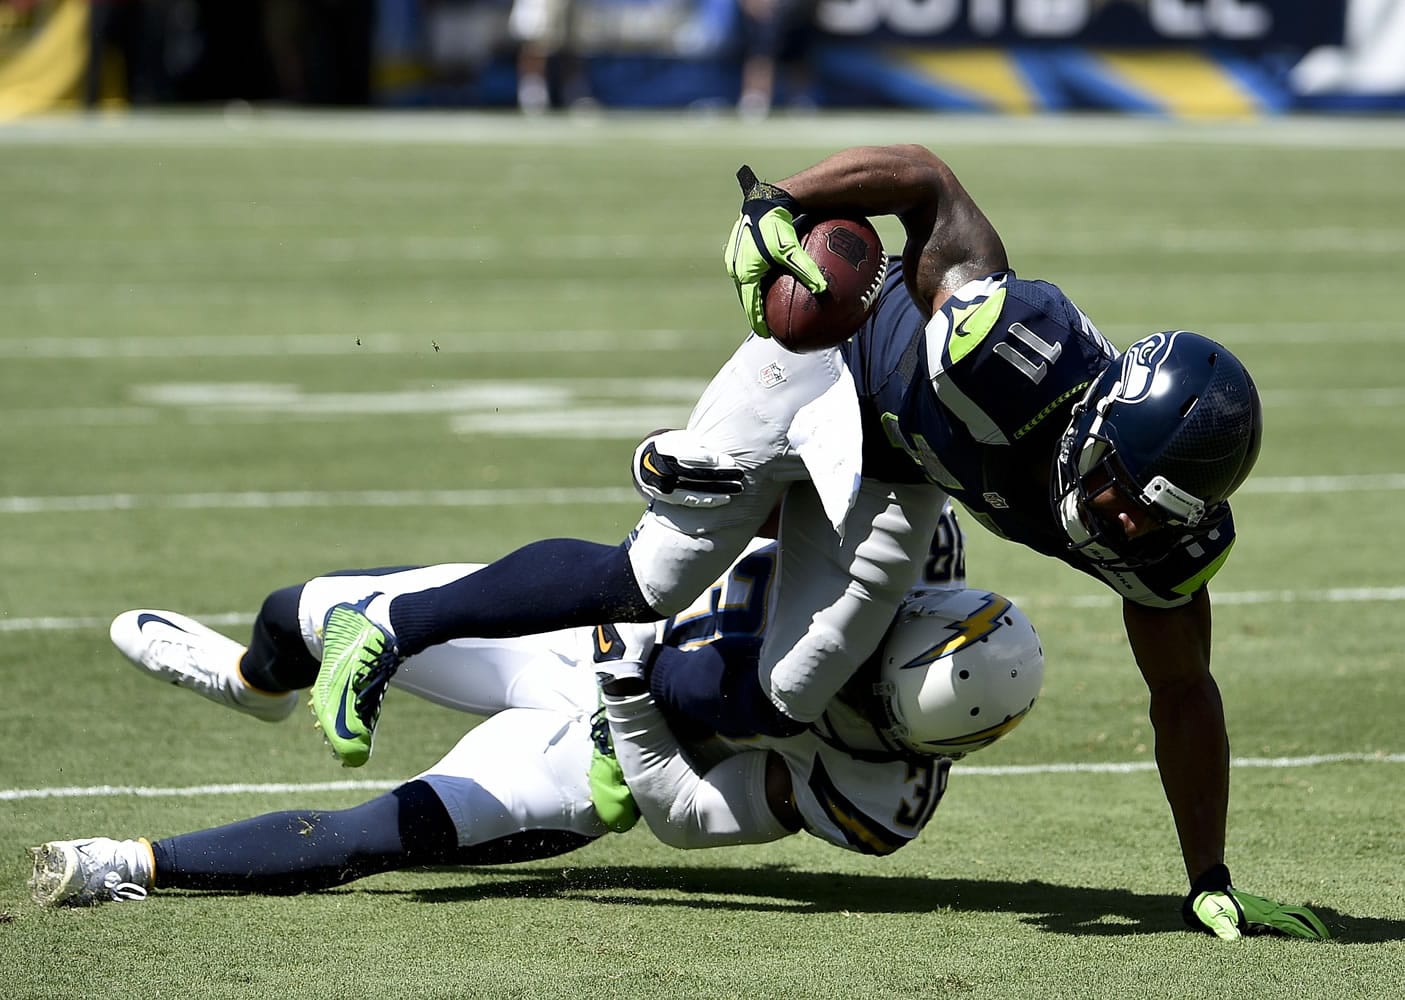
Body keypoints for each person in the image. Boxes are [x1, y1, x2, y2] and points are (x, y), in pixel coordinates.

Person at [305, 144, 1327, 941]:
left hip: (900, 469)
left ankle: (654, 668)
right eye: (1115, 491)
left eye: (1147, 515)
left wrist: (1208, 876)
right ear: (1092, 416)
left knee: (792, 688)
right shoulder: (1012, 342)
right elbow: (925, 185)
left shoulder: (1156, 549)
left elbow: (1181, 694)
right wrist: (777, 206)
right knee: (652, 575)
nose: (1117, 521)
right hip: (834, 365)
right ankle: (388, 622)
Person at [29, 531, 1047, 906]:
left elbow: (692, 814)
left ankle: (122, 863)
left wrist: (630, 703)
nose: (842, 696)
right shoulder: (902, 540)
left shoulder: (882, 796)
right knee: (300, 614)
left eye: (873, 713)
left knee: (378, 837)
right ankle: (252, 686)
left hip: (599, 747)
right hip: (579, 625)